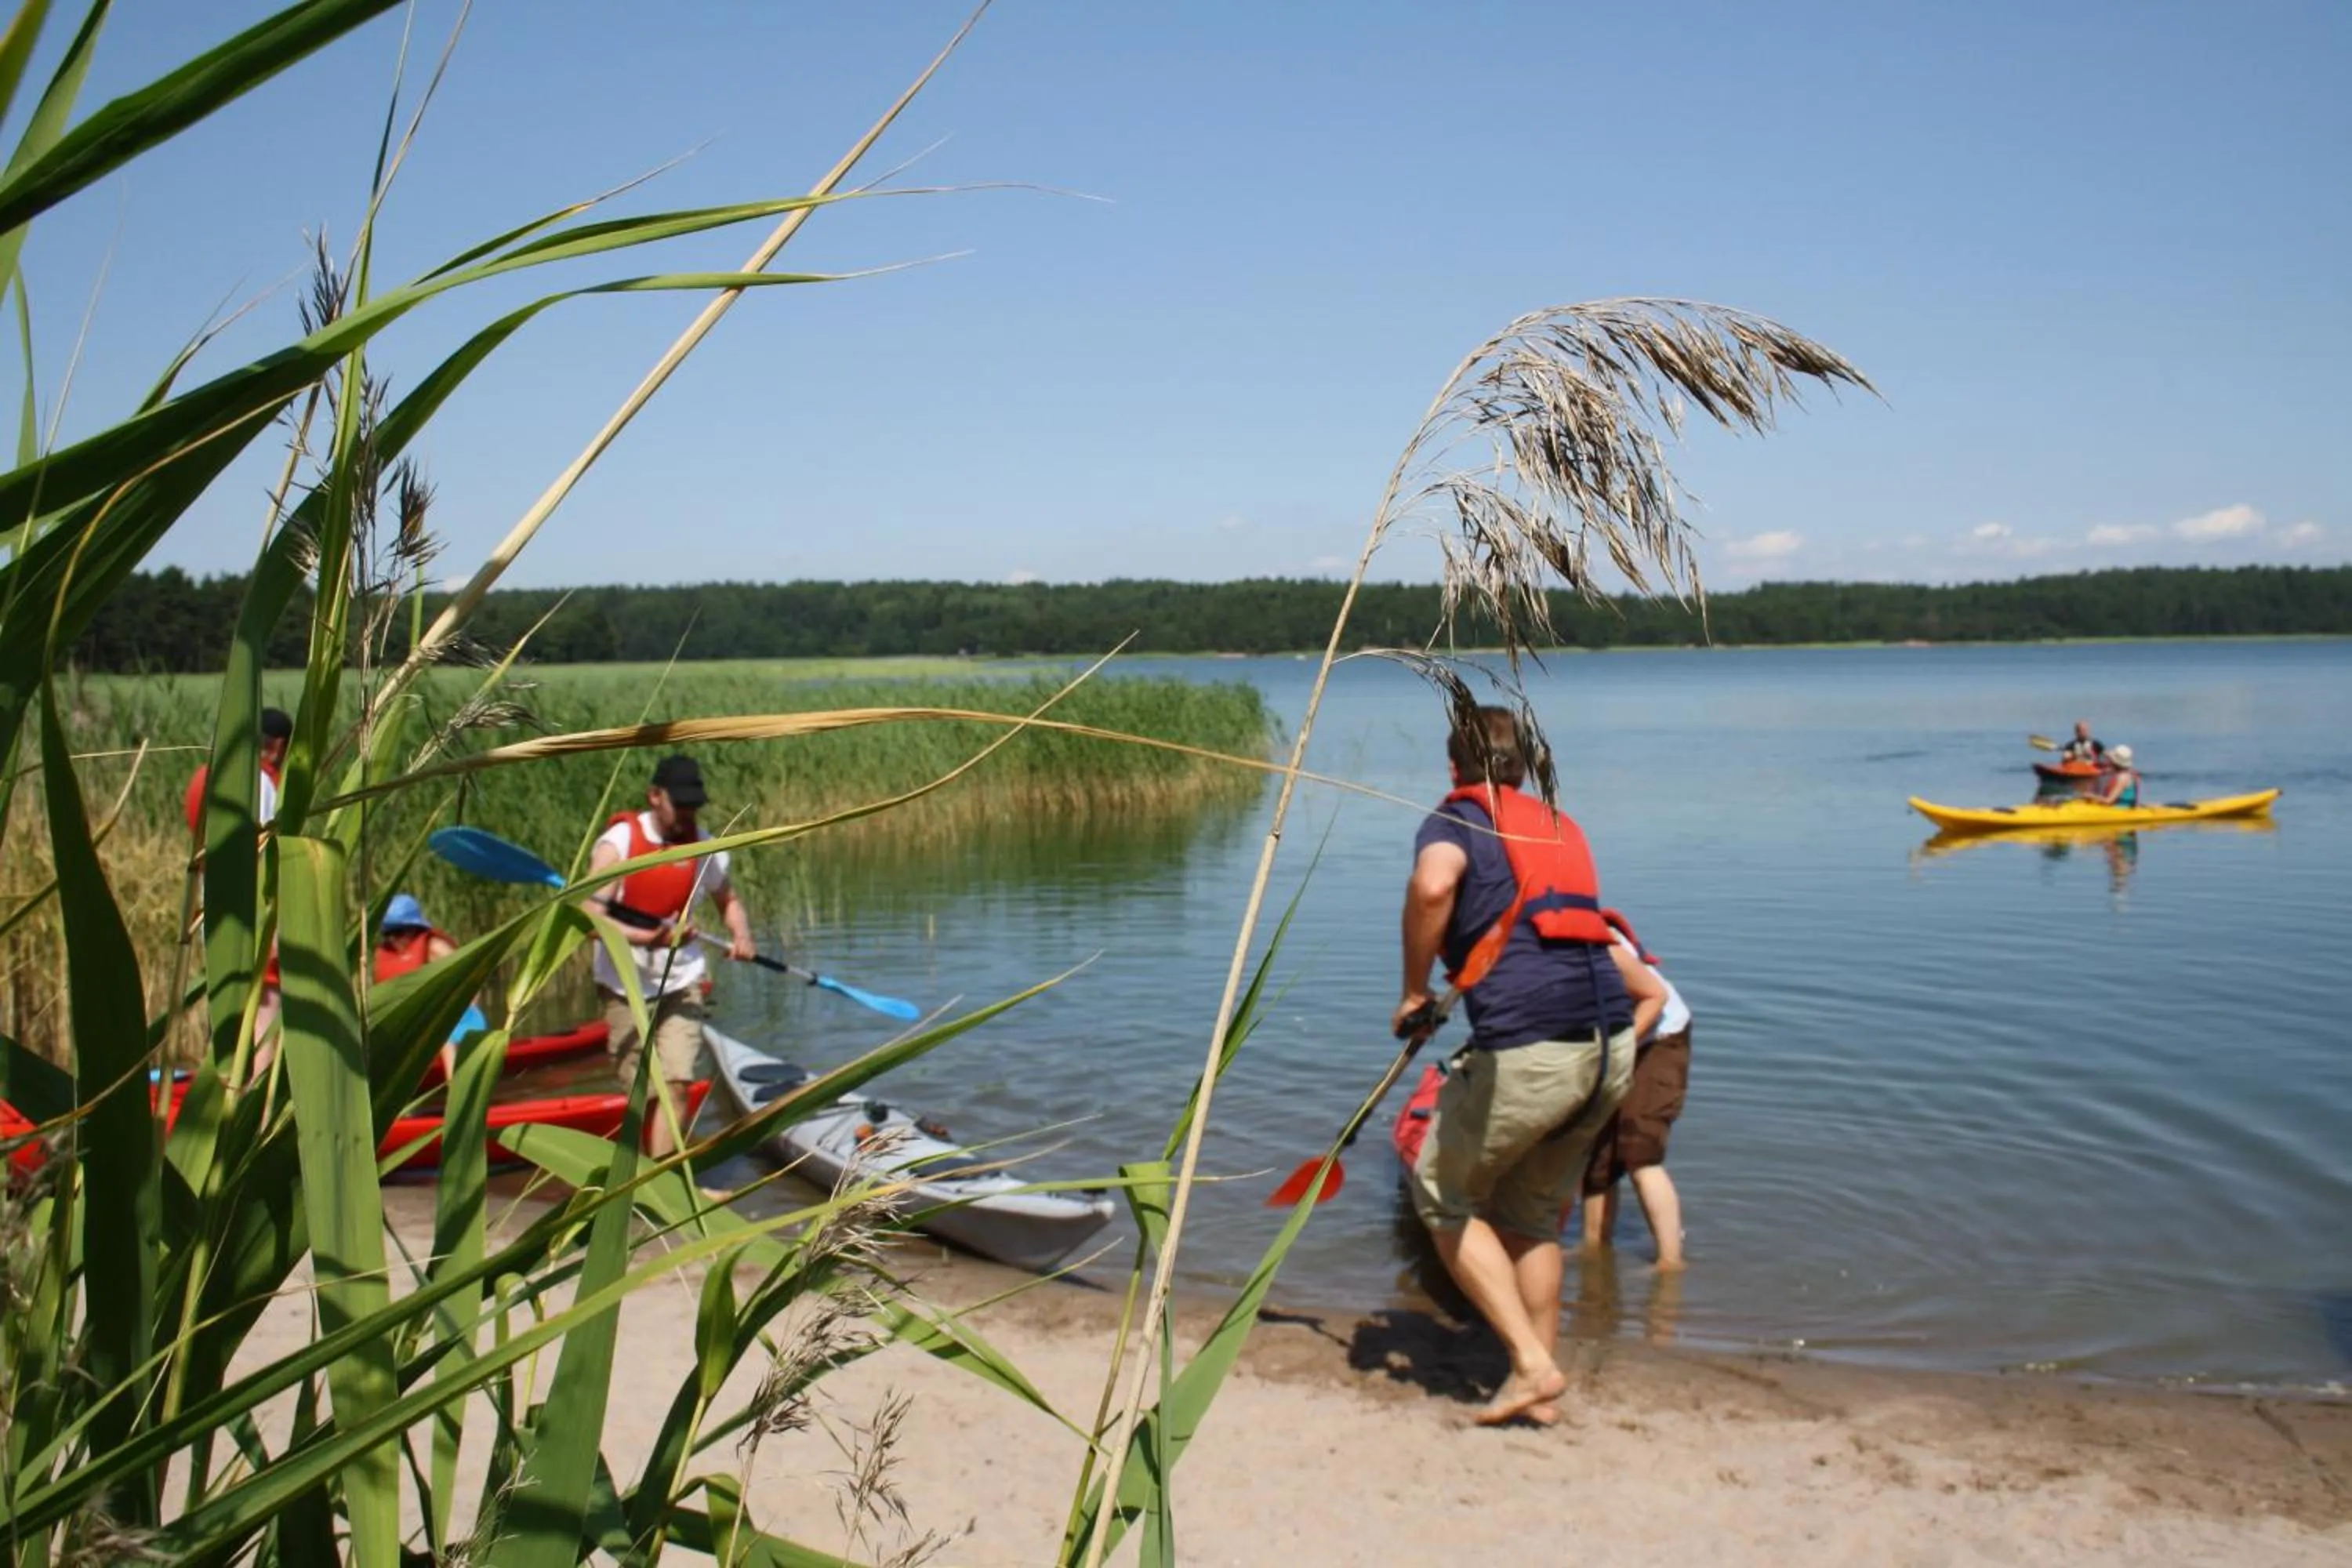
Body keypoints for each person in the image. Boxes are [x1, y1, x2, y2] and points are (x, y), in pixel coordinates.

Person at [1397, 705, 1653, 1427]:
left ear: (1455, 768)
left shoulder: (1454, 822)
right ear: (1526, 766)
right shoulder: (1560, 826)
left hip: (1534, 1048)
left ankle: (1534, 1365)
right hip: (1611, 1042)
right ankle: (1534, 1384)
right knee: (1531, 1216)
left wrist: (1415, 991)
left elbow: (1433, 887)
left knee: (1442, 1197)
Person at [583, 754, 756, 1160]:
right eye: (680, 805)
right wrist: (648, 937)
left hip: (682, 980)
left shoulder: (704, 844)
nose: (688, 814)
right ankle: (640, 1180)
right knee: (641, 1094)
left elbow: (727, 898)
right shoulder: (619, 845)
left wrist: (741, 935)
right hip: (625, 985)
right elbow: (591, 920)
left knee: (678, 1084)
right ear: (655, 796)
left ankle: (663, 1181)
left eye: (694, 806)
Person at [1580, 911, 1693, 1272]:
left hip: (1659, 1037)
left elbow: (1654, 996)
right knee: (1597, 1155)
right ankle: (1593, 1250)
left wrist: (1617, 1050)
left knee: (1640, 1153)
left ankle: (1670, 1262)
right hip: (1615, 1041)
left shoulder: (1591, 940)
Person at [184, 706, 293, 1076]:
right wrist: (274, 927)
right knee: (263, 1016)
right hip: (249, 916)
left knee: (227, 1014)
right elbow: (259, 852)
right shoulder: (256, 782)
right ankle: (255, 1117)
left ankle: (214, 1103)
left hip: (209, 910)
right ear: (277, 747)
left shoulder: (204, 777)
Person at [372, 893, 470, 1083]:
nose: (393, 940)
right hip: (404, 1026)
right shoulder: (385, 954)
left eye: (398, 932)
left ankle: (456, 1092)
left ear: (414, 929)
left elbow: (470, 974)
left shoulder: (434, 947)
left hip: (441, 1022)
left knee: (444, 1037)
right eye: (388, 934)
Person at [2096, 743, 2140, 807]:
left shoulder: (2122, 777)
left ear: (2115, 762)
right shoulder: (2131, 774)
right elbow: (2136, 803)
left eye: (2111, 759)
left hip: (2119, 811)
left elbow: (2109, 801)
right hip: (2121, 810)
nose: (2110, 760)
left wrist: (2091, 797)